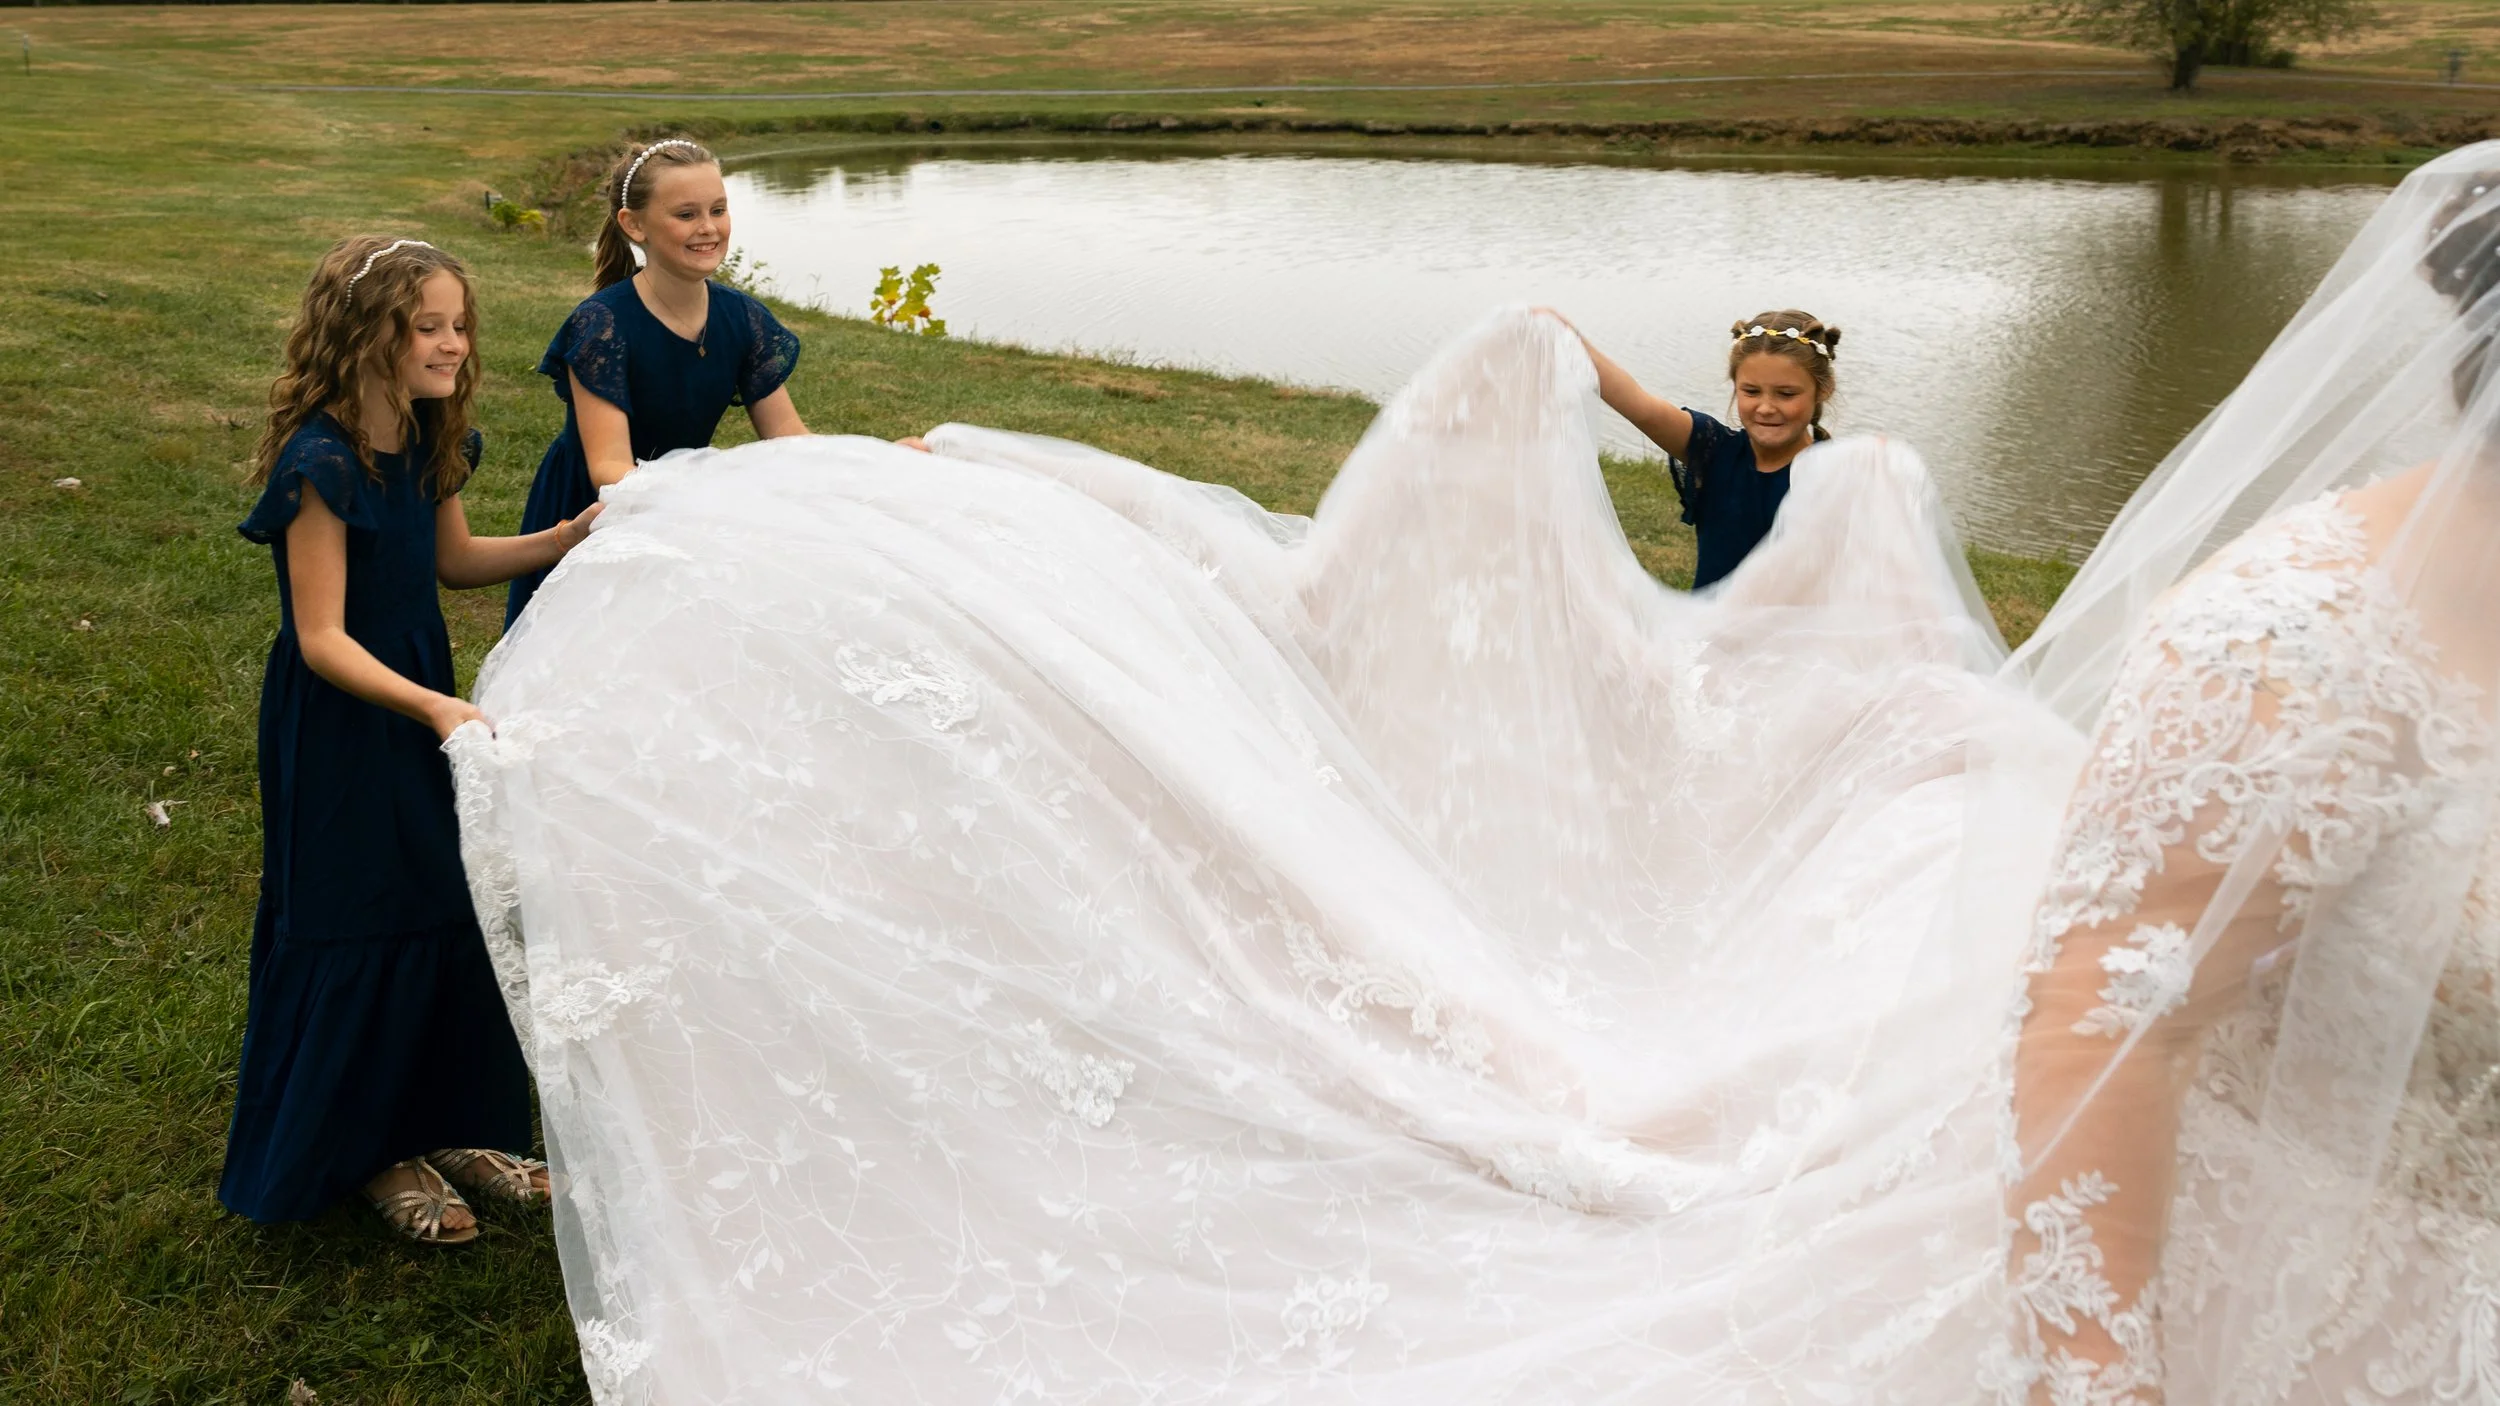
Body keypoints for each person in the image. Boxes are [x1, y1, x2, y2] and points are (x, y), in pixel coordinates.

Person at [448, 147, 2500, 1401]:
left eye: (1780, 392)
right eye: (690, 211)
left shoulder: (1830, 473)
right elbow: (2100, 1012)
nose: (1764, 411)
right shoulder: (2283, 638)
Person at [221, 236, 598, 1246]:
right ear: (367, 334)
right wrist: (433, 707)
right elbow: (323, 638)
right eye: (425, 326)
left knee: (448, 895)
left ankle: (460, 1127)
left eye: (458, 324)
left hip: (421, 704)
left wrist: (567, 537)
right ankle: (372, 1149)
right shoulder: (321, 463)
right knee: (363, 909)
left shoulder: (430, 441)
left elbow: (457, 561)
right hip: (347, 725)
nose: (451, 343)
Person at [503, 137, 807, 627]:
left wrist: (871, 462)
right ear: (634, 224)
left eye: (718, 209)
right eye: (686, 215)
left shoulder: (742, 317)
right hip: (595, 512)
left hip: (683, 507)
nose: (708, 228)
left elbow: (791, 438)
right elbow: (608, 467)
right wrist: (708, 501)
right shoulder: (602, 324)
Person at [1554, 308, 1842, 589]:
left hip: (1793, 635)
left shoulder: (1835, 476)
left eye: (1786, 394)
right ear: (1735, 386)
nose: (1766, 407)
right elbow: (1642, 408)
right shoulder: (1714, 449)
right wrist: (1567, 337)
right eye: (1751, 391)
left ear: (1823, 389)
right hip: (1708, 633)